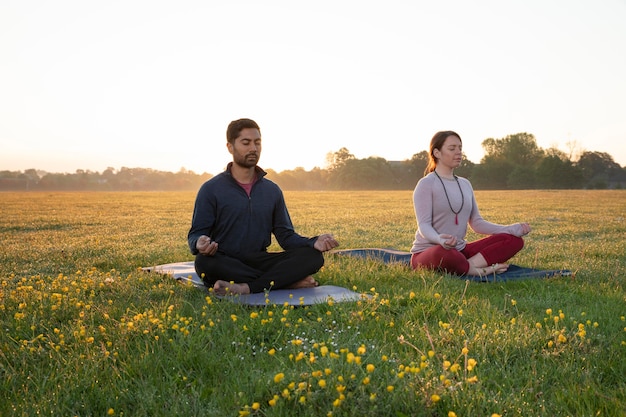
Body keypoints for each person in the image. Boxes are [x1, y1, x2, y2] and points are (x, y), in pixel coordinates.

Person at [188, 118, 339, 295]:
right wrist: (199, 243)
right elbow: (196, 233)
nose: (253, 148)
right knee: (204, 264)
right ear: (230, 147)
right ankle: (283, 282)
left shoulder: (272, 190)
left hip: (259, 259)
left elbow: (286, 236)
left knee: (312, 257)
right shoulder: (211, 189)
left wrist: (313, 242)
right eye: (246, 143)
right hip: (225, 260)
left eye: (257, 143)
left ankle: (246, 287)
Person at [410, 131, 531, 277]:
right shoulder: (426, 184)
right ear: (437, 153)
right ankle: (479, 270)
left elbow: (477, 223)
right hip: (431, 252)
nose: (458, 152)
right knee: (445, 253)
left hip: (459, 251)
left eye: (460, 148)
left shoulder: (465, 184)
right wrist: (438, 239)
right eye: (452, 148)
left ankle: (465, 266)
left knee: (513, 241)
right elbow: (424, 226)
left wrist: (509, 229)